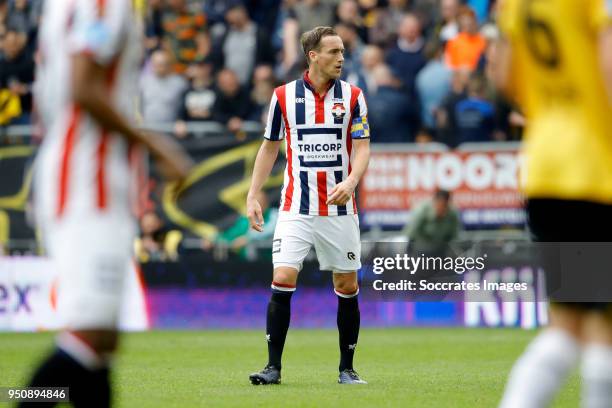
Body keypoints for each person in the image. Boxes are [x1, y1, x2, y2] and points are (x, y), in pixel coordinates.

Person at [25, 1, 192, 406]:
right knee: (89, 336)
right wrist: (155, 144)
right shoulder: (104, 5)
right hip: (86, 180)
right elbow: (84, 88)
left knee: (102, 342)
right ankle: (21, 398)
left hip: (87, 174)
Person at [493, 0, 612, 407]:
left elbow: (504, 76)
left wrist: (552, 108)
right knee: (603, 325)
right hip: (595, 171)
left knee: (567, 323)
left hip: (544, 166)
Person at [246, 26, 370, 385]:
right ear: (312, 56)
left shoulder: (354, 96)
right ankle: (273, 368)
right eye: (333, 52)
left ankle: (347, 369)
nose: (341, 58)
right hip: (295, 207)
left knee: (346, 285)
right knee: (282, 277)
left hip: (338, 208)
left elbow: (362, 147)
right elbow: (270, 147)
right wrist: (253, 194)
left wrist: (351, 181)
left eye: (343, 51)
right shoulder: (283, 96)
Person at [403, 190, 461, 257]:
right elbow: (412, 231)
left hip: (441, 249)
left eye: (444, 205)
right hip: (421, 247)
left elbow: (455, 235)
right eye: (439, 203)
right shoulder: (423, 209)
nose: (441, 207)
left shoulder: (452, 213)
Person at [140, 49, 188, 125]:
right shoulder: (143, 82)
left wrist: (181, 120)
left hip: (171, 130)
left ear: (169, 65)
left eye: (162, 64)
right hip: (147, 129)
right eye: (156, 64)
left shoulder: (180, 83)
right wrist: (138, 119)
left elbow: (185, 105)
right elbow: (136, 103)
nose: (159, 68)